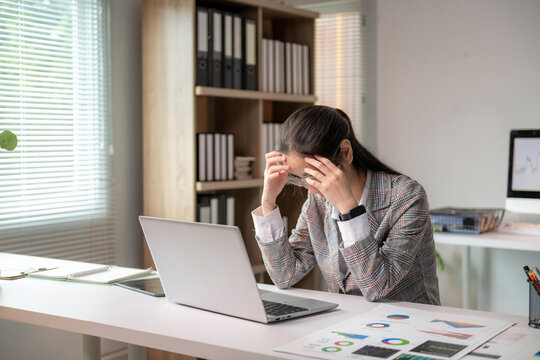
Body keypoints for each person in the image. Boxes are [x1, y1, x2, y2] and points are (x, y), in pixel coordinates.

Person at [251, 105, 440, 304]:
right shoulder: (318, 202)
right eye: (300, 178)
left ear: (346, 152)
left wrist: (349, 211)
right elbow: (285, 275)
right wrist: (268, 202)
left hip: (409, 323)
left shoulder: (407, 196)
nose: (311, 189)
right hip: (350, 323)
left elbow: (378, 287)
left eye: (314, 176)